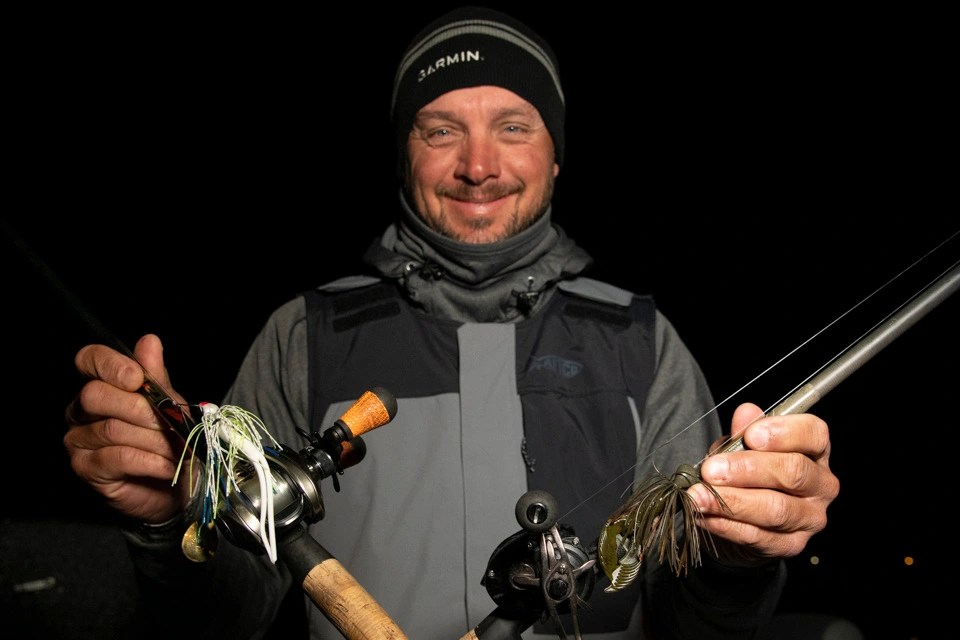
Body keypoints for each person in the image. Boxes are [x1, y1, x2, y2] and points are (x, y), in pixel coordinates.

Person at [63, 6, 846, 639]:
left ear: (556, 155)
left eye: (514, 126)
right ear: (404, 154)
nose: (478, 166)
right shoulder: (302, 336)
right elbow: (226, 618)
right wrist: (167, 521)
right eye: (440, 130)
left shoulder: (643, 342)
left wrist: (743, 555)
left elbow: (700, 626)